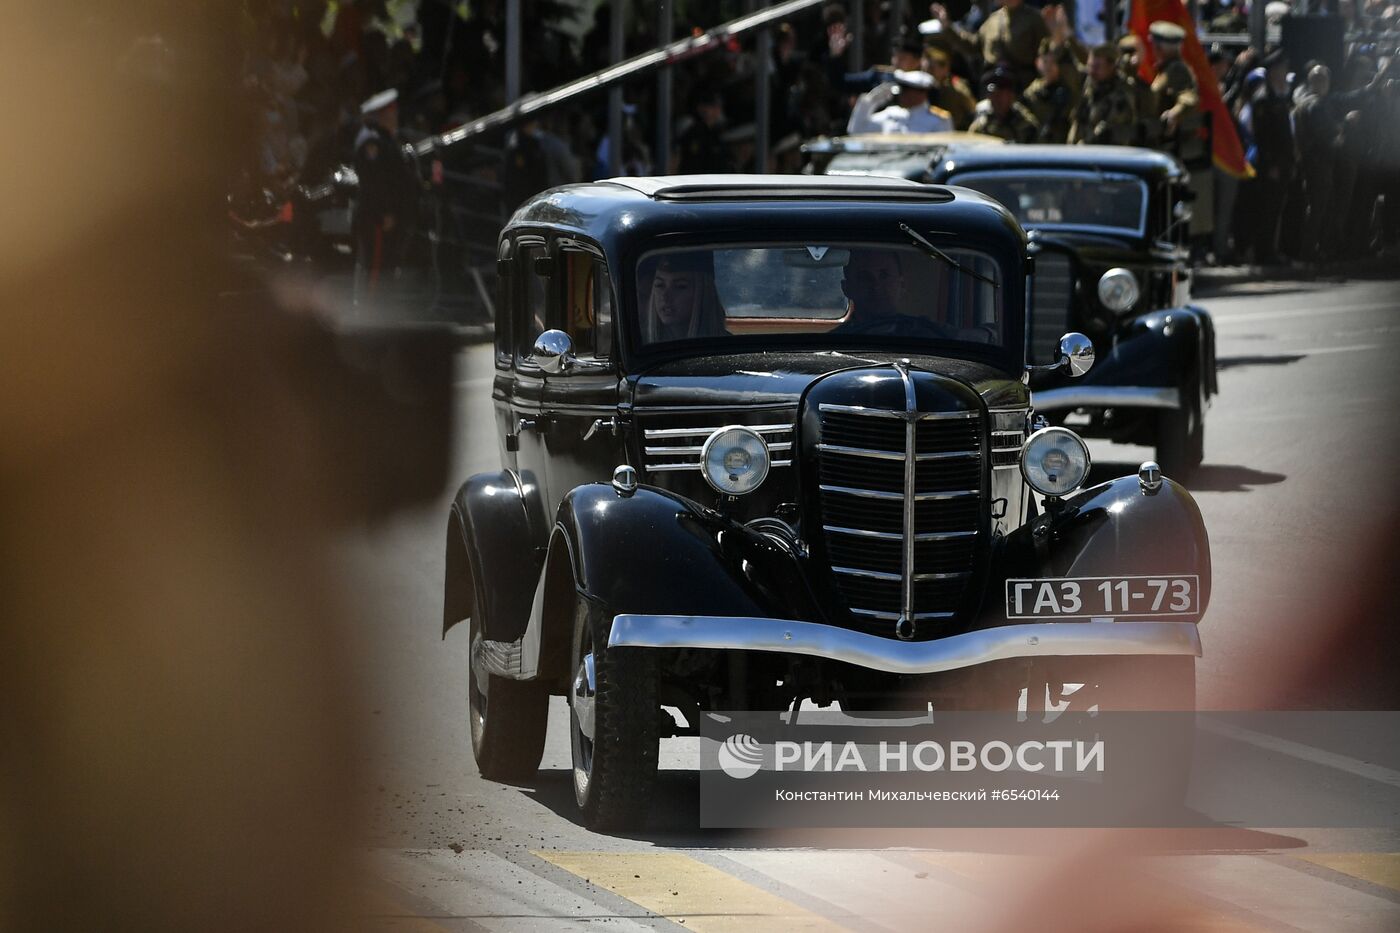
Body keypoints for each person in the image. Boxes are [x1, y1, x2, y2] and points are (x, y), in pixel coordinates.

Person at [352, 88, 419, 306]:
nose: (394, 119)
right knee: (376, 272)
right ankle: (370, 318)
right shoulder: (373, 142)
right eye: (390, 114)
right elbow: (375, 182)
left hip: (389, 219)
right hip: (378, 219)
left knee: (386, 272)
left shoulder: (385, 140)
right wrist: (384, 213)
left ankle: (380, 317)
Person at [641, 253, 728, 343]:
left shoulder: (726, 346)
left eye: (680, 286)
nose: (665, 296)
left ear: (702, 293)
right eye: (659, 285)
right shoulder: (639, 343)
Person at [1147, 21, 1203, 159]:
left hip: (1168, 144)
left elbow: (1189, 97)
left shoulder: (1177, 69)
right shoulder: (1165, 69)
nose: (1152, 49)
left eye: (1154, 45)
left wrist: (1174, 114)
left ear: (1160, 48)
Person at [1068, 44, 1138, 145]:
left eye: (1097, 67)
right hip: (1078, 153)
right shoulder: (1089, 86)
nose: (1091, 71)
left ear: (1111, 67)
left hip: (1105, 155)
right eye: (1090, 66)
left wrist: (1083, 146)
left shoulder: (1121, 96)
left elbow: (1108, 133)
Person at [846, 69, 953, 134]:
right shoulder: (892, 115)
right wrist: (870, 102)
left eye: (906, 89)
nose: (901, 93)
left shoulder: (938, 120)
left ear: (922, 93)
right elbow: (856, 130)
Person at [975, 0, 1050, 89]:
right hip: (993, 85)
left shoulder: (1035, 18)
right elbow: (975, 46)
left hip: (1023, 86)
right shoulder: (992, 19)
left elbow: (1046, 53)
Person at [1023, 37, 1077, 143]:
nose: (1049, 67)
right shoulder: (1031, 93)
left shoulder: (1069, 89)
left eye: (1053, 62)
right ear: (1038, 63)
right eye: (1045, 61)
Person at [970, 66, 1041, 142]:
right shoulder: (983, 123)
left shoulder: (1026, 125)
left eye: (1001, 94)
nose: (996, 98)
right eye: (992, 93)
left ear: (1011, 96)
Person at [1117, 34, 1162, 147]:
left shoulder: (1144, 89)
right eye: (1124, 52)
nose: (1128, 58)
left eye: (1132, 52)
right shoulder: (1111, 82)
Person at [676, 90, 734, 174]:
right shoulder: (691, 130)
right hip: (697, 179)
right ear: (700, 108)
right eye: (712, 106)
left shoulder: (722, 131)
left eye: (718, 107)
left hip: (719, 179)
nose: (716, 110)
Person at [925, 46, 978, 129]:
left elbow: (972, 108)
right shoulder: (923, 87)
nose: (928, 72)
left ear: (945, 68)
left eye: (932, 68)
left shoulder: (957, 86)